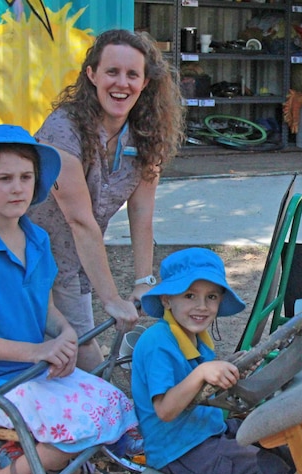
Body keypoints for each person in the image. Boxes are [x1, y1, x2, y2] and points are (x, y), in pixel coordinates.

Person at [0, 125, 138, 474]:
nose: (17, 187)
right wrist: (36, 351)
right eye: (4, 178)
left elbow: (44, 308)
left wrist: (63, 335)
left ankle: (60, 470)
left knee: (115, 405)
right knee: (79, 428)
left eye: (25, 177)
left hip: (29, 375)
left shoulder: (36, 238)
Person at [27, 29, 186, 371]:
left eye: (133, 75)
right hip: (34, 256)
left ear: (145, 83)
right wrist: (111, 299)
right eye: (112, 72)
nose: (122, 83)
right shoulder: (62, 131)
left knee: (69, 356)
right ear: (92, 74)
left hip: (75, 259)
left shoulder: (145, 134)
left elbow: (142, 214)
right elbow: (79, 220)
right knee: (82, 360)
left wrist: (143, 282)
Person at [131, 248, 295, 474]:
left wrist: (229, 369)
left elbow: (202, 390)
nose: (202, 306)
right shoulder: (157, 343)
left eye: (211, 297)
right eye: (189, 296)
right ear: (167, 300)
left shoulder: (196, 337)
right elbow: (165, 411)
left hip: (207, 429)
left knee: (280, 443)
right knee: (266, 470)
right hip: (179, 449)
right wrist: (201, 373)